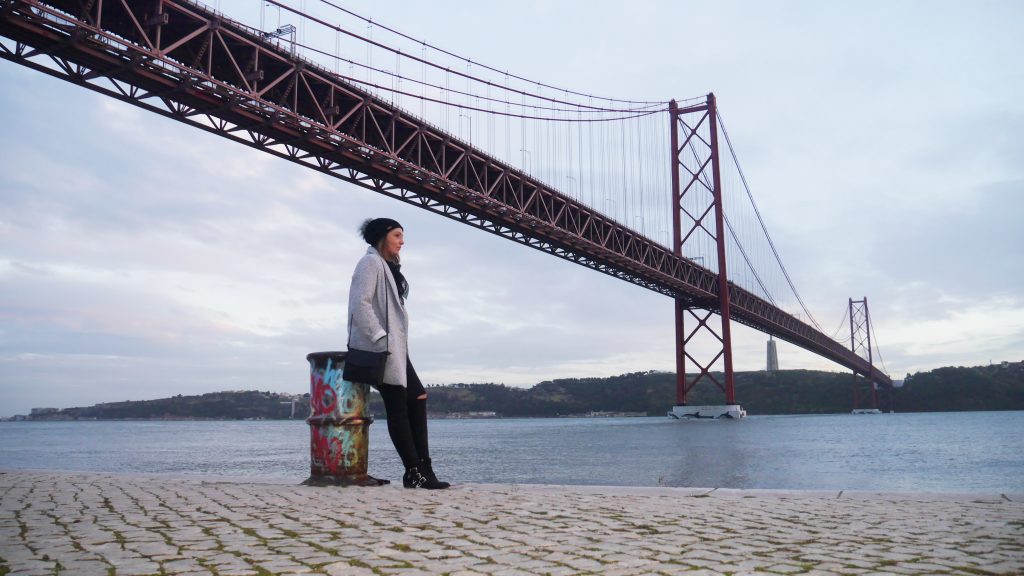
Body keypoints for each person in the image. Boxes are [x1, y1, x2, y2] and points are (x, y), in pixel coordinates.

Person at [347, 217, 450, 489]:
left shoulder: (388, 266)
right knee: (397, 406)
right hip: (382, 348)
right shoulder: (369, 263)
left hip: (395, 349)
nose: (402, 241)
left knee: (418, 396)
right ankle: (414, 471)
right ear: (383, 237)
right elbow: (360, 304)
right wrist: (381, 337)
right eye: (397, 235)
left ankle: (423, 468)